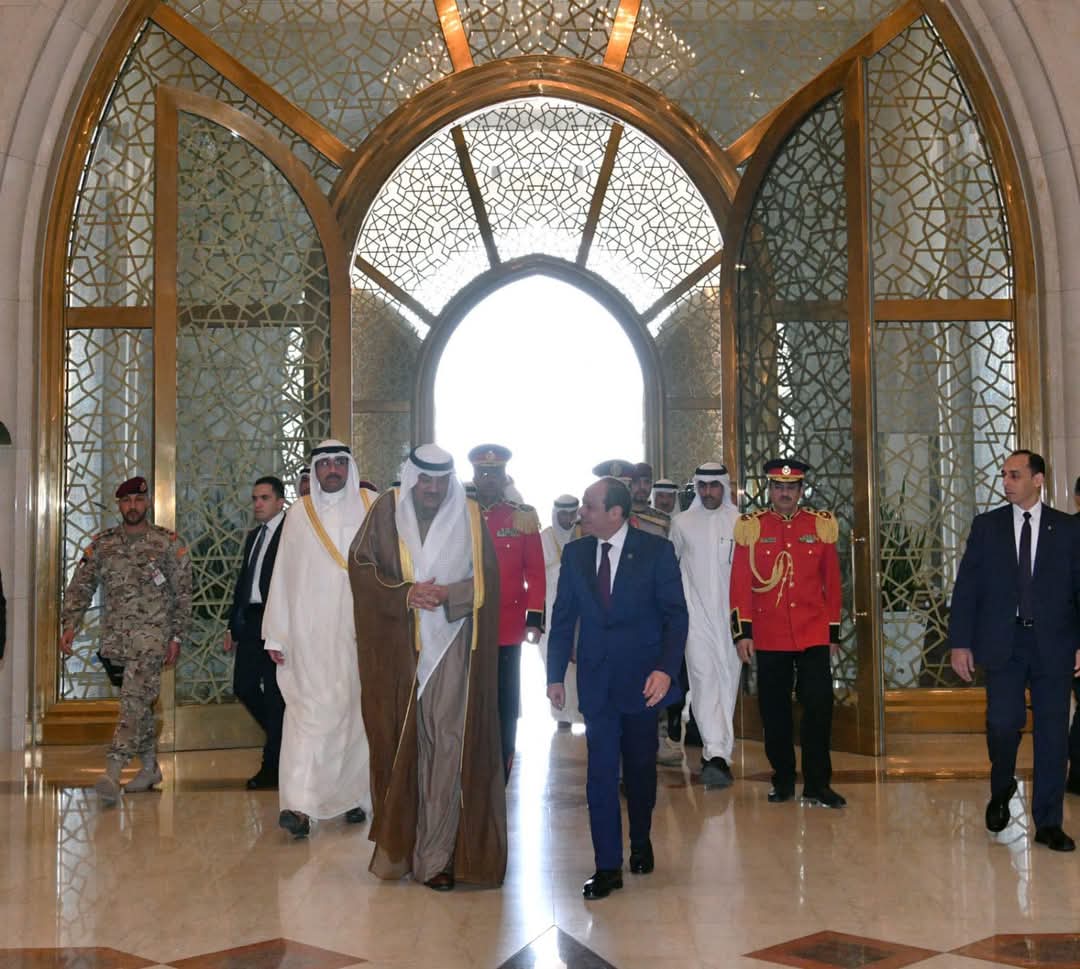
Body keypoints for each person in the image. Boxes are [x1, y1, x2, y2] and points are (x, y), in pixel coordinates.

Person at [349, 444, 506, 890]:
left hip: (453, 645)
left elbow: (488, 580)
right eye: (425, 479)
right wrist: (405, 593)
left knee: (446, 747)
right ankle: (402, 848)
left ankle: (436, 858)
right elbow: (360, 567)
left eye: (440, 480)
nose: (432, 489)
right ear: (411, 476)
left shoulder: (469, 515)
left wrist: (450, 594)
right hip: (398, 652)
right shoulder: (386, 510)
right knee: (403, 747)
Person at [547, 476, 688, 900]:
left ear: (615, 513)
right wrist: (555, 676)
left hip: (644, 682)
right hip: (596, 681)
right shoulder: (576, 554)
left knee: (641, 771)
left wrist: (666, 669)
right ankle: (607, 865)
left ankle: (640, 839)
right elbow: (563, 617)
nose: (582, 513)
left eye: (590, 506)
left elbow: (676, 616)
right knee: (600, 774)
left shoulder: (656, 551)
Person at [950, 450, 1080, 851]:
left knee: (1052, 733)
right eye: (1004, 475)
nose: (1006, 482)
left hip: (1054, 645)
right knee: (1003, 724)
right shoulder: (987, 527)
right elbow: (967, 588)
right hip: (1003, 643)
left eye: (1015, 475)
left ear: (1038, 480)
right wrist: (960, 642)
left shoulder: (1067, 529)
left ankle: (1049, 822)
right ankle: (1002, 785)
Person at [59, 476, 191, 806]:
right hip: (117, 641)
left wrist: (176, 636)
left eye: (138, 500)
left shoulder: (166, 543)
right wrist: (70, 623)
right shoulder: (103, 544)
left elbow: (183, 594)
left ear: (148, 503)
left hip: (153, 639)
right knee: (138, 705)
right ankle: (149, 767)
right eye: (126, 501)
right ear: (119, 505)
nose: (133, 506)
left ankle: (113, 770)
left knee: (132, 702)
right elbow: (81, 586)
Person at [262, 440, 371, 838]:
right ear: (315, 470)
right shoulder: (298, 514)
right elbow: (283, 574)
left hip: (358, 632)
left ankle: (353, 797)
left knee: (353, 717)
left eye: (340, 462)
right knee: (306, 715)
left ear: (349, 466)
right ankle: (298, 805)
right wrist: (277, 633)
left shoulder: (371, 506)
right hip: (308, 634)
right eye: (324, 464)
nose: (332, 469)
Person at [730, 459, 845, 809]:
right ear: (770, 489)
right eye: (778, 487)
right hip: (770, 633)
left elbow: (832, 582)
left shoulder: (819, 525)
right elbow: (740, 584)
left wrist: (832, 633)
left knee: (819, 706)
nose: (784, 493)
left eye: (791, 487)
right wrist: (742, 633)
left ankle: (817, 784)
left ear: (800, 490)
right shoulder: (752, 527)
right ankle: (782, 779)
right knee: (774, 710)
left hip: (813, 632)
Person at [469, 443, 545, 780]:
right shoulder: (460, 513)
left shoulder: (520, 516)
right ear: (474, 475)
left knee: (505, 700)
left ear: (504, 477)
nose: (489, 479)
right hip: (466, 623)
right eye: (483, 472)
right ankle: (470, 761)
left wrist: (534, 619)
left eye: (495, 473)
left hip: (507, 626)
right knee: (469, 696)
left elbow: (536, 573)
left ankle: (502, 761)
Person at [669, 462, 740, 787]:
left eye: (714, 486)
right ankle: (714, 752)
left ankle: (721, 751)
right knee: (702, 678)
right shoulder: (682, 523)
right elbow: (672, 568)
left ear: (724, 487)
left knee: (727, 682)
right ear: (696, 488)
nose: (708, 492)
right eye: (703, 486)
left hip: (731, 620)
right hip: (695, 618)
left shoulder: (740, 522)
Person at [224, 475, 287, 790]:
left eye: (264, 498)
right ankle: (283, 737)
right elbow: (244, 582)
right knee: (244, 686)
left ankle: (272, 766)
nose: (258, 504)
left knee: (275, 695)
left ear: (280, 501)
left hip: (276, 620)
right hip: (251, 621)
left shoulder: (290, 534)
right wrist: (232, 626)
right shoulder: (254, 536)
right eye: (255, 499)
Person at [539, 494, 582, 727]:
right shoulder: (544, 537)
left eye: (571, 513)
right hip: (550, 606)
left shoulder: (584, 534)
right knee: (554, 658)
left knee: (579, 660)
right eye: (563, 514)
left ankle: (579, 712)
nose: (568, 519)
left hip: (580, 607)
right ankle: (561, 715)